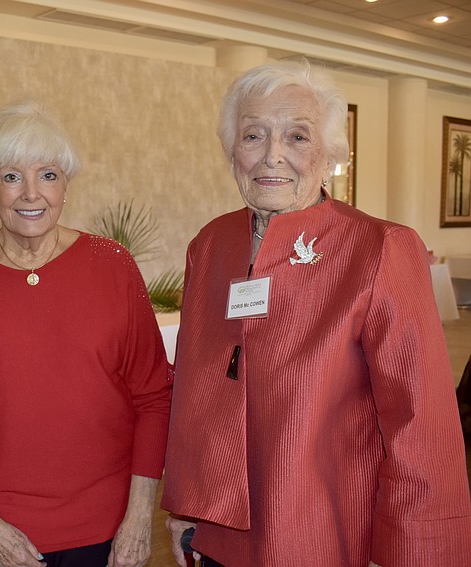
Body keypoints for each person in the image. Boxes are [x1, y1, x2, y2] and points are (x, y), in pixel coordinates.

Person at [161, 59, 471, 566]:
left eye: (298, 137)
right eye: (253, 136)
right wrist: (185, 507)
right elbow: (198, 386)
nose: (272, 157)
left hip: (325, 530)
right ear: (231, 152)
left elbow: (420, 422)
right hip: (222, 531)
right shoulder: (211, 245)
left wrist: (411, 552)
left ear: (330, 155)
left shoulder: (379, 248)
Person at [0, 100, 172, 567]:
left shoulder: (112, 266)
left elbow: (153, 397)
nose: (32, 193)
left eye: (48, 175)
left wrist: (138, 519)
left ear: (66, 185)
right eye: (11, 176)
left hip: (110, 528)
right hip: (4, 529)